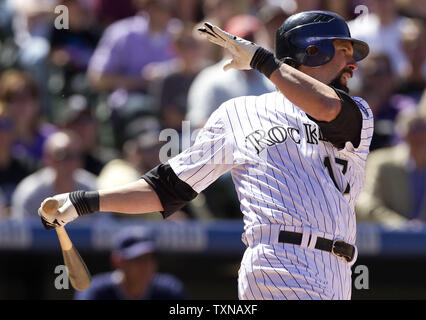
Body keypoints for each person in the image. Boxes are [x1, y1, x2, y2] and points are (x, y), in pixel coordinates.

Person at [38, 11, 373, 300]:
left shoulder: (358, 112)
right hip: (279, 260)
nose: (353, 63)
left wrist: (260, 60)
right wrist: (84, 201)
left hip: (338, 270)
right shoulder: (240, 113)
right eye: (342, 50)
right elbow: (166, 188)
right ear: (310, 52)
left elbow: (326, 108)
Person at [74, 226, 186, 300]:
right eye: (137, 259)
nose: (146, 266)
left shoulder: (169, 290)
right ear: (118, 261)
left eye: (149, 258)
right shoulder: (96, 292)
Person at [356, 111, 426, 227]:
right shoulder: (381, 161)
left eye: (423, 129)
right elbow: (365, 202)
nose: (419, 135)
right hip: (389, 240)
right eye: (413, 129)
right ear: (402, 132)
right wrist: (402, 226)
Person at [12, 130, 97, 219]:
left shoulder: (92, 190)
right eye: (61, 155)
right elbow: (22, 229)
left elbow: (104, 229)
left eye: (75, 155)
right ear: (47, 158)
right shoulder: (30, 192)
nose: (69, 162)